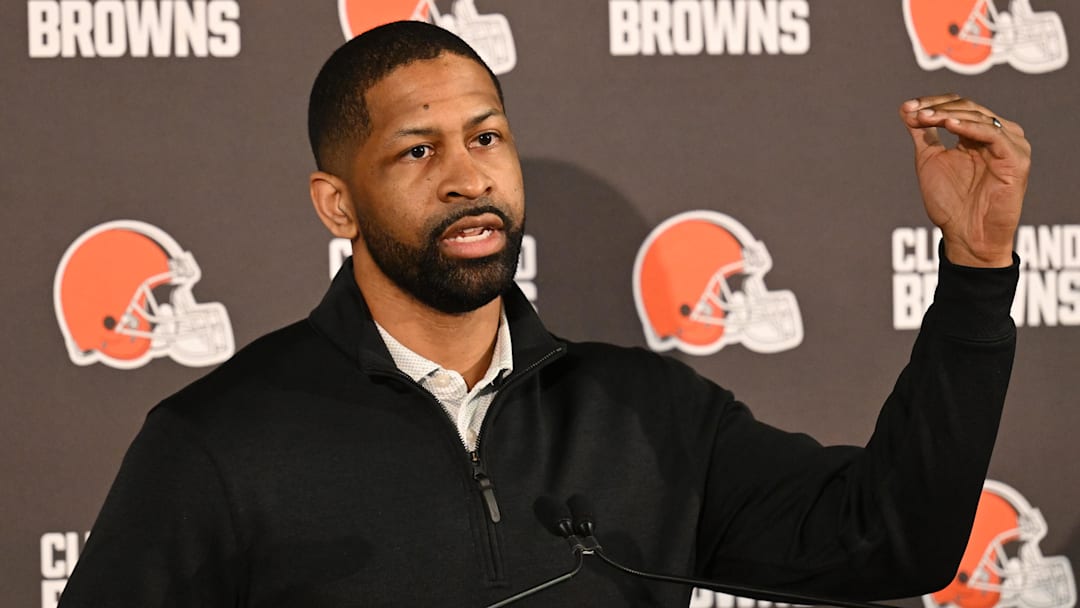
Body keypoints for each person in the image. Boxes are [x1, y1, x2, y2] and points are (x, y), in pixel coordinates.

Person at [59, 20, 1029, 608]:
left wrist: (977, 270)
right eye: (416, 151)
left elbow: (894, 535)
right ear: (337, 204)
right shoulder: (217, 442)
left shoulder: (647, 411)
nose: (468, 174)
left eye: (486, 136)